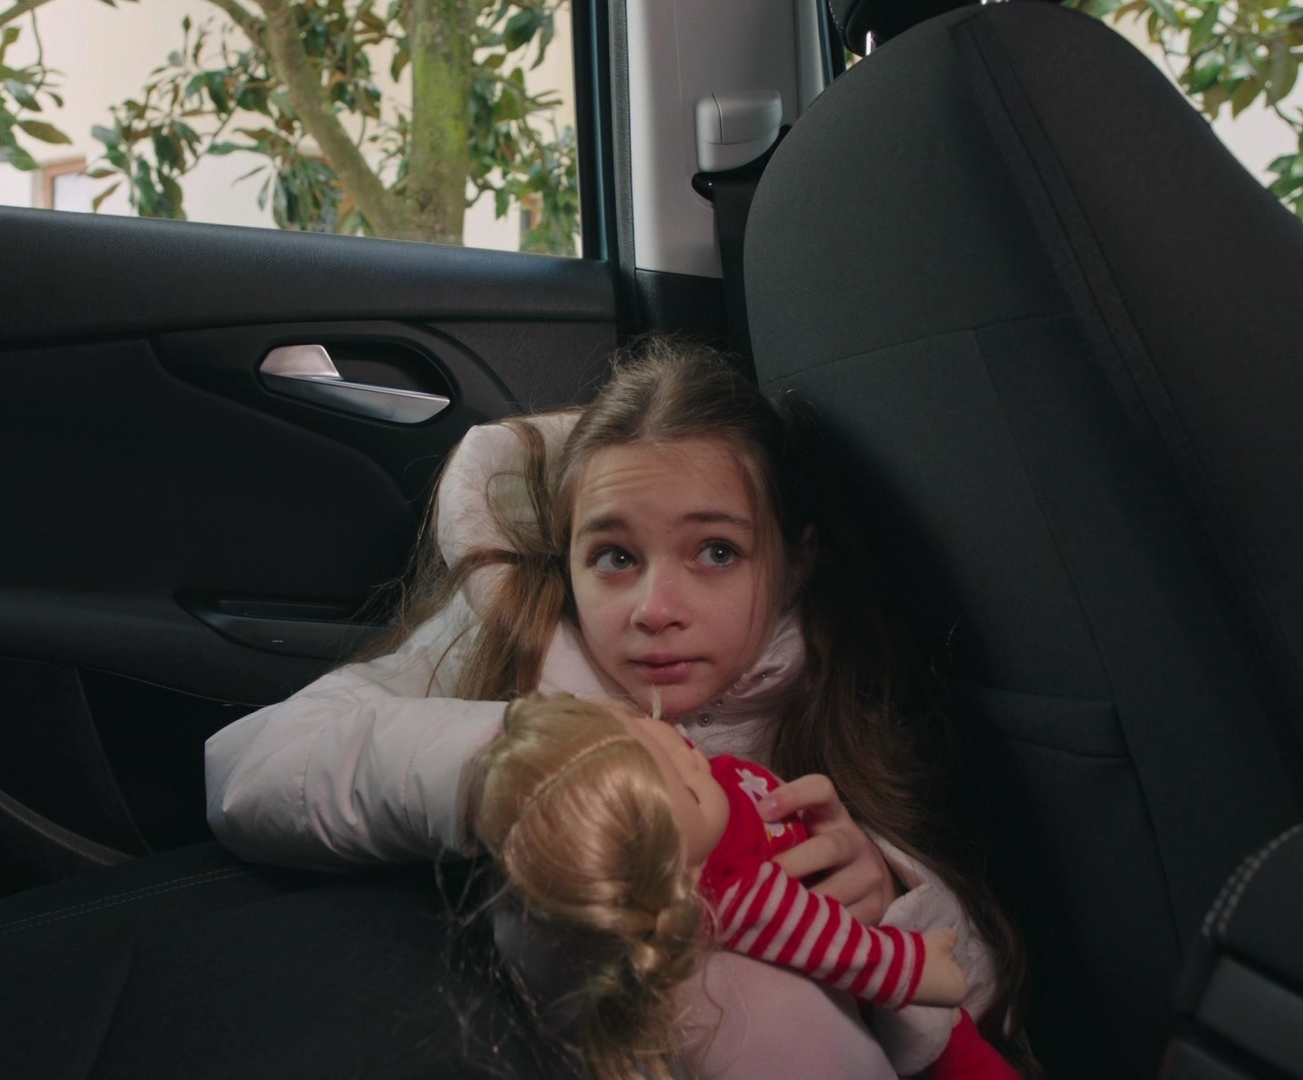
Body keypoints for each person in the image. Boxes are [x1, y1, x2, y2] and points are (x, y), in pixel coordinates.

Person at [206, 339, 1032, 1077]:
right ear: (565, 558)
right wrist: (515, 763)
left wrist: (888, 895)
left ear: (793, 562)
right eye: (613, 557)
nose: (655, 609)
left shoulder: (835, 694)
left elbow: (981, 996)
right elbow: (251, 766)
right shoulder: (518, 640)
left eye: (716, 552)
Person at [472, 693, 1024, 1080]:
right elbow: (831, 944)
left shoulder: (839, 722)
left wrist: (890, 884)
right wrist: (913, 965)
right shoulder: (737, 893)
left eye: (657, 731)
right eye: (688, 791)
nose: (689, 755)